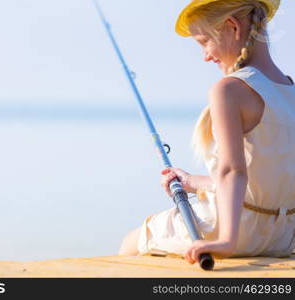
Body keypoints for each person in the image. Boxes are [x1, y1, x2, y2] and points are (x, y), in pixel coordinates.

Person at [118, 0, 295, 265]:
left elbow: (232, 172)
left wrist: (226, 241)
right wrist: (192, 182)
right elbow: (262, 182)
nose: (205, 55)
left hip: (234, 231)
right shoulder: (290, 92)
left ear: (233, 27)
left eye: (203, 42)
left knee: (132, 241)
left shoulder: (229, 90)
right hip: (283, 237)